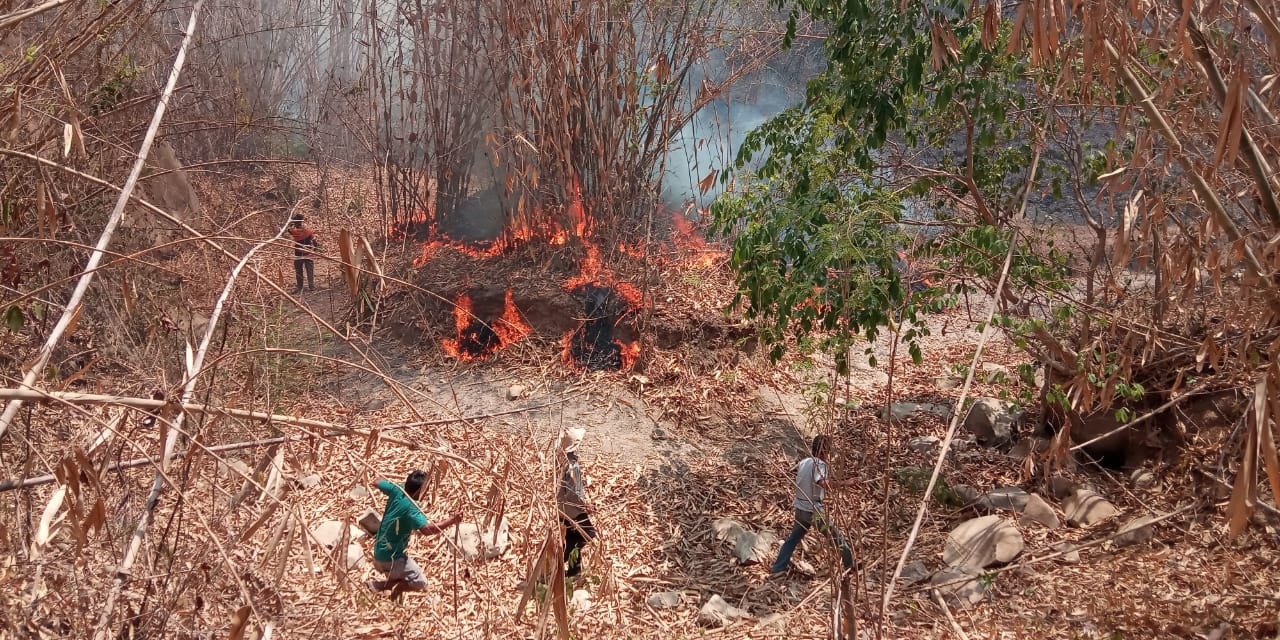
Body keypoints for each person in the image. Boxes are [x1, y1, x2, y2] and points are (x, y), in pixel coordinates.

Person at [367, 470, 461, 596]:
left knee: (402, 570)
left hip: (378, 551)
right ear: (419, 491)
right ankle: (392, 588)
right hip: (390, 559)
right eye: (426, 488)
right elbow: (427, 530)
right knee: (420, 583)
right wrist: (452, 521)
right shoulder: (411, 509)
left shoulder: (398, 489)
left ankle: (381, 586)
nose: (427, 492)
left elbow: (376, 481)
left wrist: (394, 483)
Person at [771, 434, 856, 575]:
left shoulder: (804, 462)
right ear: (824, 451)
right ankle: (850, 566)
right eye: (829, 451)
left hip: (800, 508)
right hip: (813, 511)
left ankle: (778, 567)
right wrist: (846, 483)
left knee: (793, 538)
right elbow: (823, 483)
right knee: (835, 536)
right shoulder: (819, 464)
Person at [557, 428, 597, 578]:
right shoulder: (572, 466)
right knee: (588, 534)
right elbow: (574, 493)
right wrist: (585, 505)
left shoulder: (560, 462)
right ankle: (561, 560)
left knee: (572, 537)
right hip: (572, 511)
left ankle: (574, 571)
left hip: (561, 509)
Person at [288, 214, 319, 293]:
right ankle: (311, 286)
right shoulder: (308, 231)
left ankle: (300, 286)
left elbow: (289, 229)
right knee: (310, 270)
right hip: (308, 253)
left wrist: (292, 223)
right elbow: (315, 241)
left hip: (298, 253)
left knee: (299, 270)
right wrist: (315, 248)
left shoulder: (294, 232)